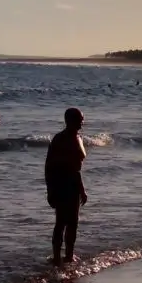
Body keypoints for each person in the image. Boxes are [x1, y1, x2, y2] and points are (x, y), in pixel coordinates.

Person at [45, 107, 88, 267]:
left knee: (73, 223)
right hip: (61, 184)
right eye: (80, 120)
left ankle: (69, 255)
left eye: (82, 120)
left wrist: (82, 189)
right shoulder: (59, 139)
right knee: (61, 222)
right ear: (70, 120)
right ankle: (56, 257)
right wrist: (50, 190)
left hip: (74, 184)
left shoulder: (78, 138)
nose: (82, 123)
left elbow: (76, 168)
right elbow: (48, 167)